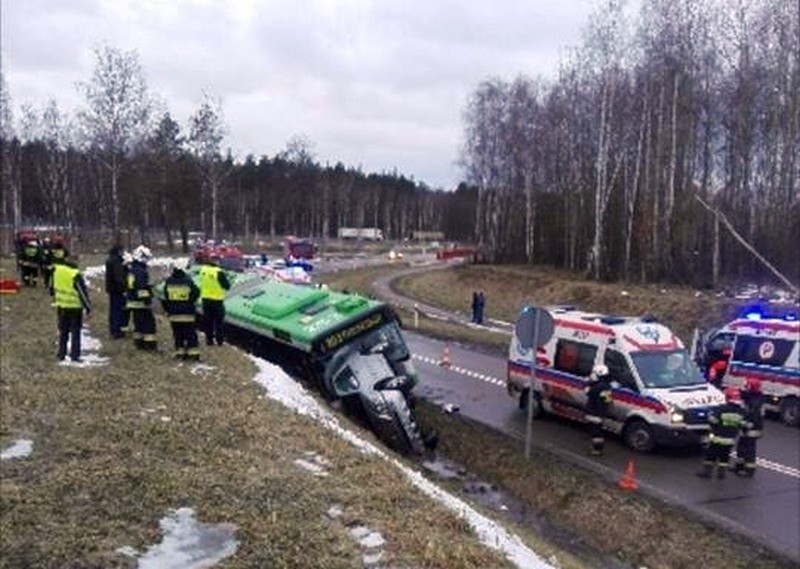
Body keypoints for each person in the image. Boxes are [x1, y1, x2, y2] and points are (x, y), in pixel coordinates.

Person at [697, 387, 747, 479]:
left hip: (717, 437)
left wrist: (709, 416)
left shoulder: (722, 409)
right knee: (724, 457)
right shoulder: (742, 411)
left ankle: (707, 473)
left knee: (711, 456)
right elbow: (743, 424)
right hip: (730, 439)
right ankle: (721, 474)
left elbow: (713, 421)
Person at [50, 256, 91, 362]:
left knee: (63, 331)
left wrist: (54, 296)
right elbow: (82, 292)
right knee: (75, 332)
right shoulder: (75, 274)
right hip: (74, 307)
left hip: (61, 306)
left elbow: (52, 287)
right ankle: (74, 355)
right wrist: (87, 306)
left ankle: (61, 353)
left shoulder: (57, 271)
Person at [161, 259, 201, 360]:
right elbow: (196, 293)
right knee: (190, 334)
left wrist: (169, 308)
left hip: (174, 315)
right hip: (187, 314)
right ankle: (193, 354)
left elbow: (165, 296)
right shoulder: (188, 280)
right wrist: (190, 301)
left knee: (178, 334)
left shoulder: (169, 281)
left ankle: (179, 353)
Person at [126, 245, 157, 350]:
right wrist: (147, 300)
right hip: (141, 302)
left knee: (138, 324)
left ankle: (139, 344)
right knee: (149, 324)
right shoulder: (140, 271)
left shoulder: (133, 269)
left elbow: (134, 285)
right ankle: (150, 346)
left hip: (133, 301)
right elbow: (141, 288)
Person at [734, 377, 765, 477]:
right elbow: (745, 396)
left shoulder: (755, 403)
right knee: (741, 447)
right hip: (748, 428)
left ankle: (749, 470)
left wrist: (745, 425)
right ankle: (739, 466)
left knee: (749, 449)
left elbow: (753, 417)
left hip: (752, 428)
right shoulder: (754, 397)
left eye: (747, 386)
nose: (745, 387)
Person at [199, 256, 231, 346]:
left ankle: (209, 340)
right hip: (217, 300)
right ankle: (219, 341)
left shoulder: (203, 270)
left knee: (208, 320)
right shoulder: (218, 272)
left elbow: (202, 281)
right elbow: (226, 286)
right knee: (218, 322)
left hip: (205, 299)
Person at [585, 364, 613, 456]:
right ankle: (597, 449)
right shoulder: (608, 386)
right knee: (598, 431)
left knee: (595, 433)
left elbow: (587, 392)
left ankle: (597, 450)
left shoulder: (597, 387)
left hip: (594, 412)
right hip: (602, 413)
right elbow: (608, 400)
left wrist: (589, 382)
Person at [105, 244, 127, 339]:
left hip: (112, 289)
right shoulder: (116, 262)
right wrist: (124, 287)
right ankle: (117, 331)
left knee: (113, 309)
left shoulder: (111, 260)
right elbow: (118, 276)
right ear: (119, 251)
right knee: (118, 310)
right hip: (117, 289)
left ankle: (113, 329)